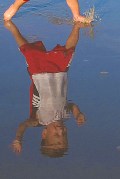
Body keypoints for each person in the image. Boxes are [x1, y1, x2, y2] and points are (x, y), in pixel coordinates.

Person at [5, 20, 87, 157]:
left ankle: (12, 28)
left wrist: (18, 138)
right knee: (70, 50)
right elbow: (71, 105)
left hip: (39, 74)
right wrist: (77, 113)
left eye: (56, 135)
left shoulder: (38, 120)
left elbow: (23, 125)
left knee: (28, 51)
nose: (60, 131)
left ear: (44, 133)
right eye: (64, 134)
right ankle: (77, 26)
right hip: (60, 72)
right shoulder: (65, 116)